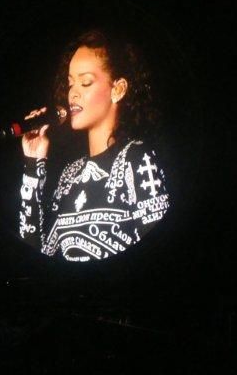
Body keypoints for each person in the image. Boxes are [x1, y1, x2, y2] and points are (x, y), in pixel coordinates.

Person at [18, 29, 171, 262]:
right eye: (70, 84)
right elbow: (36, 259)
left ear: (118, 89)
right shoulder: (70, 176)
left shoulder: (137, 158)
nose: (73, 94)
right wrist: (33, 164)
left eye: (86, 82)